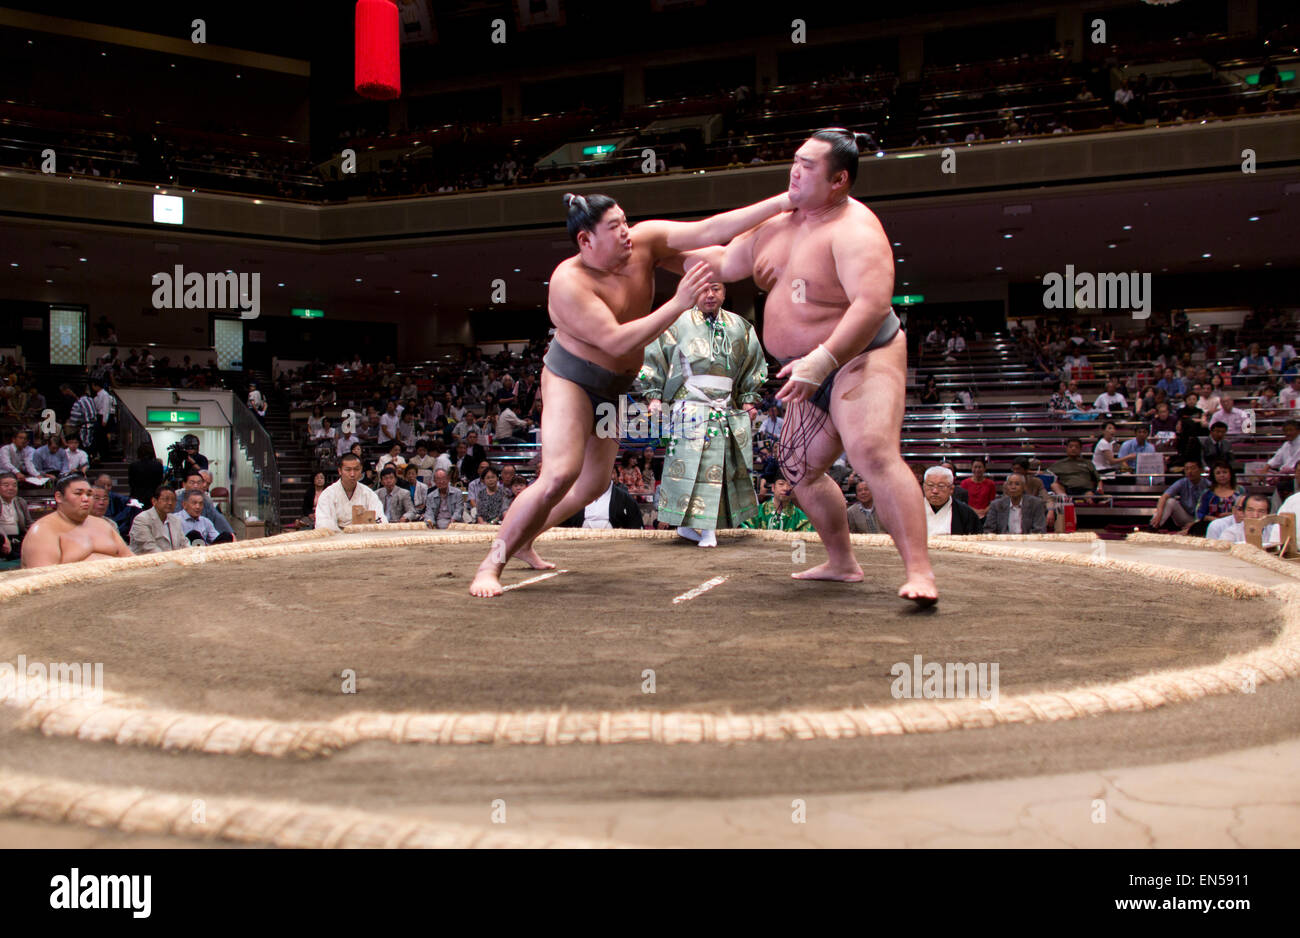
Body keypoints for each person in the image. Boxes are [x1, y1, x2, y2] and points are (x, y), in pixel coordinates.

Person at [469, 187, 792, 596]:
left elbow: (711, 229)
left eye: (624, 220)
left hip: (613, 387)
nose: (626, 231)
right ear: (586, 240)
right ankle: (490, 563)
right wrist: (678, 303)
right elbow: (618, 342)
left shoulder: (644, 241)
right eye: (613, 227)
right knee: (560, 473)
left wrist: (780, 204)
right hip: (573, 380)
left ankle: (523, 540)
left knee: (590, 485)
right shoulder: (569, 283)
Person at [679, 129, 937, 603]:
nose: (795, 171)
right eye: (795, 161)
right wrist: (651, 250)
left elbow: (871, 304)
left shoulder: (855, 229)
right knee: (798, 468)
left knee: (871, 453)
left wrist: (822, 359)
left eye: (809, 166)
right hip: (803, 372)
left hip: (861, 355)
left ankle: (919, 572)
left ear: (839, 179)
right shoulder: (779, 222)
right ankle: (842, 561)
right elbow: (721, 259)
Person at [639, 279, 767, 548]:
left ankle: (699, 527)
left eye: (716, 289)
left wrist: (748, 399)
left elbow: (753, 363)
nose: (710, 295)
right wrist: (653, 396)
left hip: (725, 405)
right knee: (693, 467)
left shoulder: (741, 327)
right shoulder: (676, 322)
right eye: (704, 289)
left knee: (720, 466)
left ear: (724, 291)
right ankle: (697, 527)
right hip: (691, 405)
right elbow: (655, 358)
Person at [21, 473, 133, 567]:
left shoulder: (103, 524)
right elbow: (42, 581)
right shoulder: (42, 531)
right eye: (78, 493)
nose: (85, 499)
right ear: (59, 497)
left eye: (89, 494)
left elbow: (130, 559)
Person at [314, 453, 387, 531]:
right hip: (337, 539)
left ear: (361, 470)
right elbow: (323, 523)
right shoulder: (328, 494)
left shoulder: (368, 494)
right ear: (340, 471)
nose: (352, 474)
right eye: (348, 470)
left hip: (363, 538)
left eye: (356, 469)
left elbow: (380, 519)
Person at [1151, 461, 1211, 532]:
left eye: (1193, 468)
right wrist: (1159, 514)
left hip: (1203, 520)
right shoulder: (1182, 482)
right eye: (1187, 469)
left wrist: (1196, 523)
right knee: (1170, 501)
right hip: (1186, 517)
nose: (1190, 471)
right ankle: (1153, 527)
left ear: (1201, 470)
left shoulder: (1208, 485)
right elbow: (1164, 496)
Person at [129, 485, 188, 553]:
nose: (170, 503)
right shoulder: (142, 519)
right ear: (154, 501)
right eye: (166, 499)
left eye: (173, 500)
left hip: (173, 561)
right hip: (149, 561)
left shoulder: (175, 519)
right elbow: (149, 547)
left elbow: (184, 543)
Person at [742, 477, 811, 531]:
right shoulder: (756, 513)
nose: (785, 488)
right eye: (781, 484)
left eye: (790, 484)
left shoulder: (802, 519)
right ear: (773, 487)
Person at [0, 472, 34, 563]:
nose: (11, 488)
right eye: (6, 485)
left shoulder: (20, 501)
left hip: (17, 537)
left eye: (14, 485)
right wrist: (5, 539)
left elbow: (28, 523)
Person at [128, 442, 166, 506]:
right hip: (153, 495)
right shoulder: (158, 465)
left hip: (137, 495)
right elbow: (160, 480)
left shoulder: (133, 465)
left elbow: (131, 482)